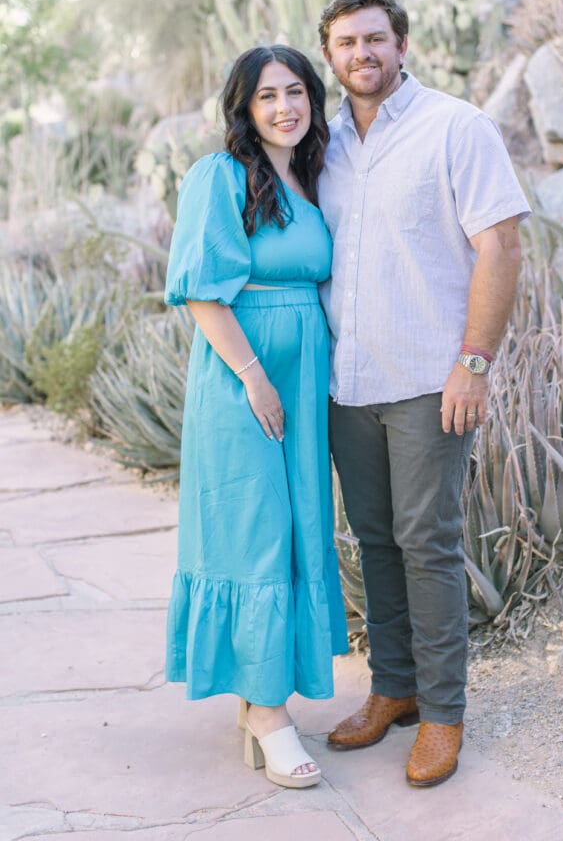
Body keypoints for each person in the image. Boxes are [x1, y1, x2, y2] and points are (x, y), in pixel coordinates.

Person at [316, 0, 530, 787]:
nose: (361, 54)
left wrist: (472, 362)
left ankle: (442, 714)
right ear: (331, 56)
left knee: (427, 545)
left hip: (428, 381)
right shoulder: (323, 143)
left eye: (374, 39)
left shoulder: (456, 128)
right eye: (345, 43)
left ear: (401, 44)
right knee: (374, 543)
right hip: (348, 382)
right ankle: (393, 690)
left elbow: (499, 247)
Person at [164, 44, 348, 790]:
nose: (283, 107)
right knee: (255, 532)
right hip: (245, 378)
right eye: (266, 95)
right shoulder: (220, 176)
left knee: (298, 526)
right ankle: (266, 715)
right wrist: (254, 379)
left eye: (295, 91)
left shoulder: (311, 177)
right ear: (242, 107)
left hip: (305, 377)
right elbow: (202, 291)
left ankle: (264, 697)